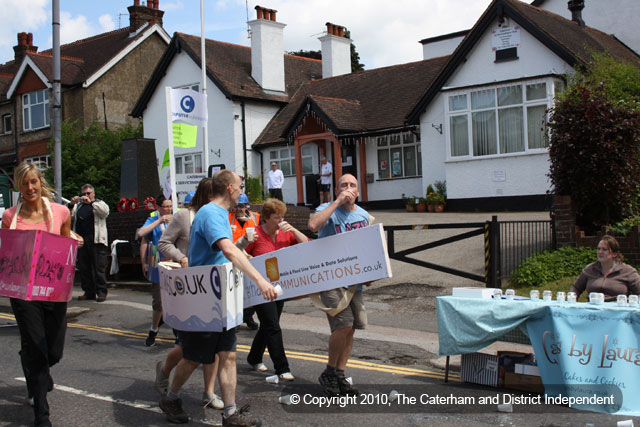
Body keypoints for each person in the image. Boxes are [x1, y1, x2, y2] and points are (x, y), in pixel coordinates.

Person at [159, 169, 277, 426]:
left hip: (221, 298)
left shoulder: (221, 214)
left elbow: (230, 253)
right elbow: (227, 249)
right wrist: (259, 280)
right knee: (193, 358)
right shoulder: (211, 213)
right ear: (230, 189)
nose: (243, 192)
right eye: (240, 186)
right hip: (204, 301)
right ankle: (171, 397)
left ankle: (231, 414)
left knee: (229, 355)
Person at [1, 162, 82, 427]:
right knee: (36, 345)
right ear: (18, 187)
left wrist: (75, 240)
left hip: (53, 290)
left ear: (40, 182)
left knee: (53, 351)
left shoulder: (60, 211)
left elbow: (65, 243)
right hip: (24, 293)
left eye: (33, 182)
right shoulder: (10, 217)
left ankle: (34, 364)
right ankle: (41, 415)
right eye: (24, 183)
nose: (30, 187)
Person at [308, 174, 370, 397]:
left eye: (353, 185)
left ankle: (340, 374)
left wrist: (371, 272)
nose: (348, 188)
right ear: (336, 190)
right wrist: (336, 203)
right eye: (343, 185)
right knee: (342, 326)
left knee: (351, 329)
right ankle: (329, 372)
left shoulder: (363, 215)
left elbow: (369, 247)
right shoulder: (327, 207)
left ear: (358, 191)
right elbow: (313, 225)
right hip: (331, 277)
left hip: (355, 281)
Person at [244, 198, 308, 380]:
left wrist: (294, 230)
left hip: (280, 286)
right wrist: (248, 256)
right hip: (260, 287)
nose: (280, 221)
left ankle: (254, 357)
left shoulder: (285, 234)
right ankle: (282, 368)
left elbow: (306, 245)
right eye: (276, 218)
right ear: (265, 218)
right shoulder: (255, 233)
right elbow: (239, 252)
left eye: (282, 217)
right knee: (272, 325)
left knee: (268, 324)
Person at [137, 195, 173, 347]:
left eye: (170, 206)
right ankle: (154, 329)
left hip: (174, 264)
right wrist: (144, 262)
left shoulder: (176, 217)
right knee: (158, 301)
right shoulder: (153, 218)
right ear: (158, 207)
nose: (169, 209)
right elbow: (142, 235)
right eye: (166, 206)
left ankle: (179, 335)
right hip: (158, 264)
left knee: (176, 300)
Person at [69, 184, 110, 302]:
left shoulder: (99, 203)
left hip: (96, 240)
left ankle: (101, 292)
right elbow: (69, 217)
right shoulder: (78, 206)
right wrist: (72, 204)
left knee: (99, 267)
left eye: (88, 193)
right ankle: (88, 292)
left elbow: (105, 212)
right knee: (84, 267)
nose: (86, 196)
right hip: (82, 240)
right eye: (83, 194)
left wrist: (91, 203)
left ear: (93, 194)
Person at [570, 235, 640, 302]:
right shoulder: (590, 269)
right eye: (598, 249)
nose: (600, 252)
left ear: (614, 254)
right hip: (593, 311)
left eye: (604, 249)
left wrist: (633, 307)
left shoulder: (627, 271)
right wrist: (572, 300)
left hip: (618, 311)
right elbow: (576, 288)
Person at [228, 193, 261, 330]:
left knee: (249, 289)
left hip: (249, 257)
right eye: (236, 206)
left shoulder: (255, 217)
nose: (239, 210)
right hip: (232, 256)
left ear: (247, 206)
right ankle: (235, 318)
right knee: (234, 288)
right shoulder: (227, 218)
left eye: (241, 206)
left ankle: (248, 316)